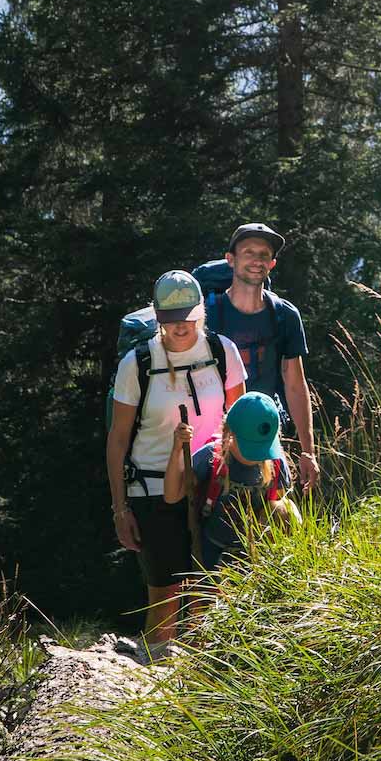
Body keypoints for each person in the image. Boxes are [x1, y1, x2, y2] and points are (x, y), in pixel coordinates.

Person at [107, 269, 246, 657]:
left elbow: (239, 421)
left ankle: (197, 685)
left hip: (213, 485)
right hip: (151, 488)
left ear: (201, 312)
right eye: (170, 321)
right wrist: (120, 509)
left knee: (211, 588)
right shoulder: (138, 363)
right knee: (165, 590)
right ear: (157, 318)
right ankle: (155, 674)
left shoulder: (222, 353)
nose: (180, 328)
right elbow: (117, 440)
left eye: (187, 318)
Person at [206, 223, 320, 493]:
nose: (257, 260)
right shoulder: (208, 314)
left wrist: (308, 452)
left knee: (273, 516)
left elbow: (294, 383)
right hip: (217, 436)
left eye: (264, 254)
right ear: (230, 259)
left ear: (272, 263)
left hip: (265, 433)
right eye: (248, 252)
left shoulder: (284, 315)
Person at [166, 391, 302, 574]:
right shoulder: (211, 457)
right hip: (211, 556)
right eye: (251, 448)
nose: (258, 456)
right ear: (230, 433)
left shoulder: (275, 463)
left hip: (255, 561)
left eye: (262, 448)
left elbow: (276, 508)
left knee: (284, 509)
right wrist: (176, 451)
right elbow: (172, 495)